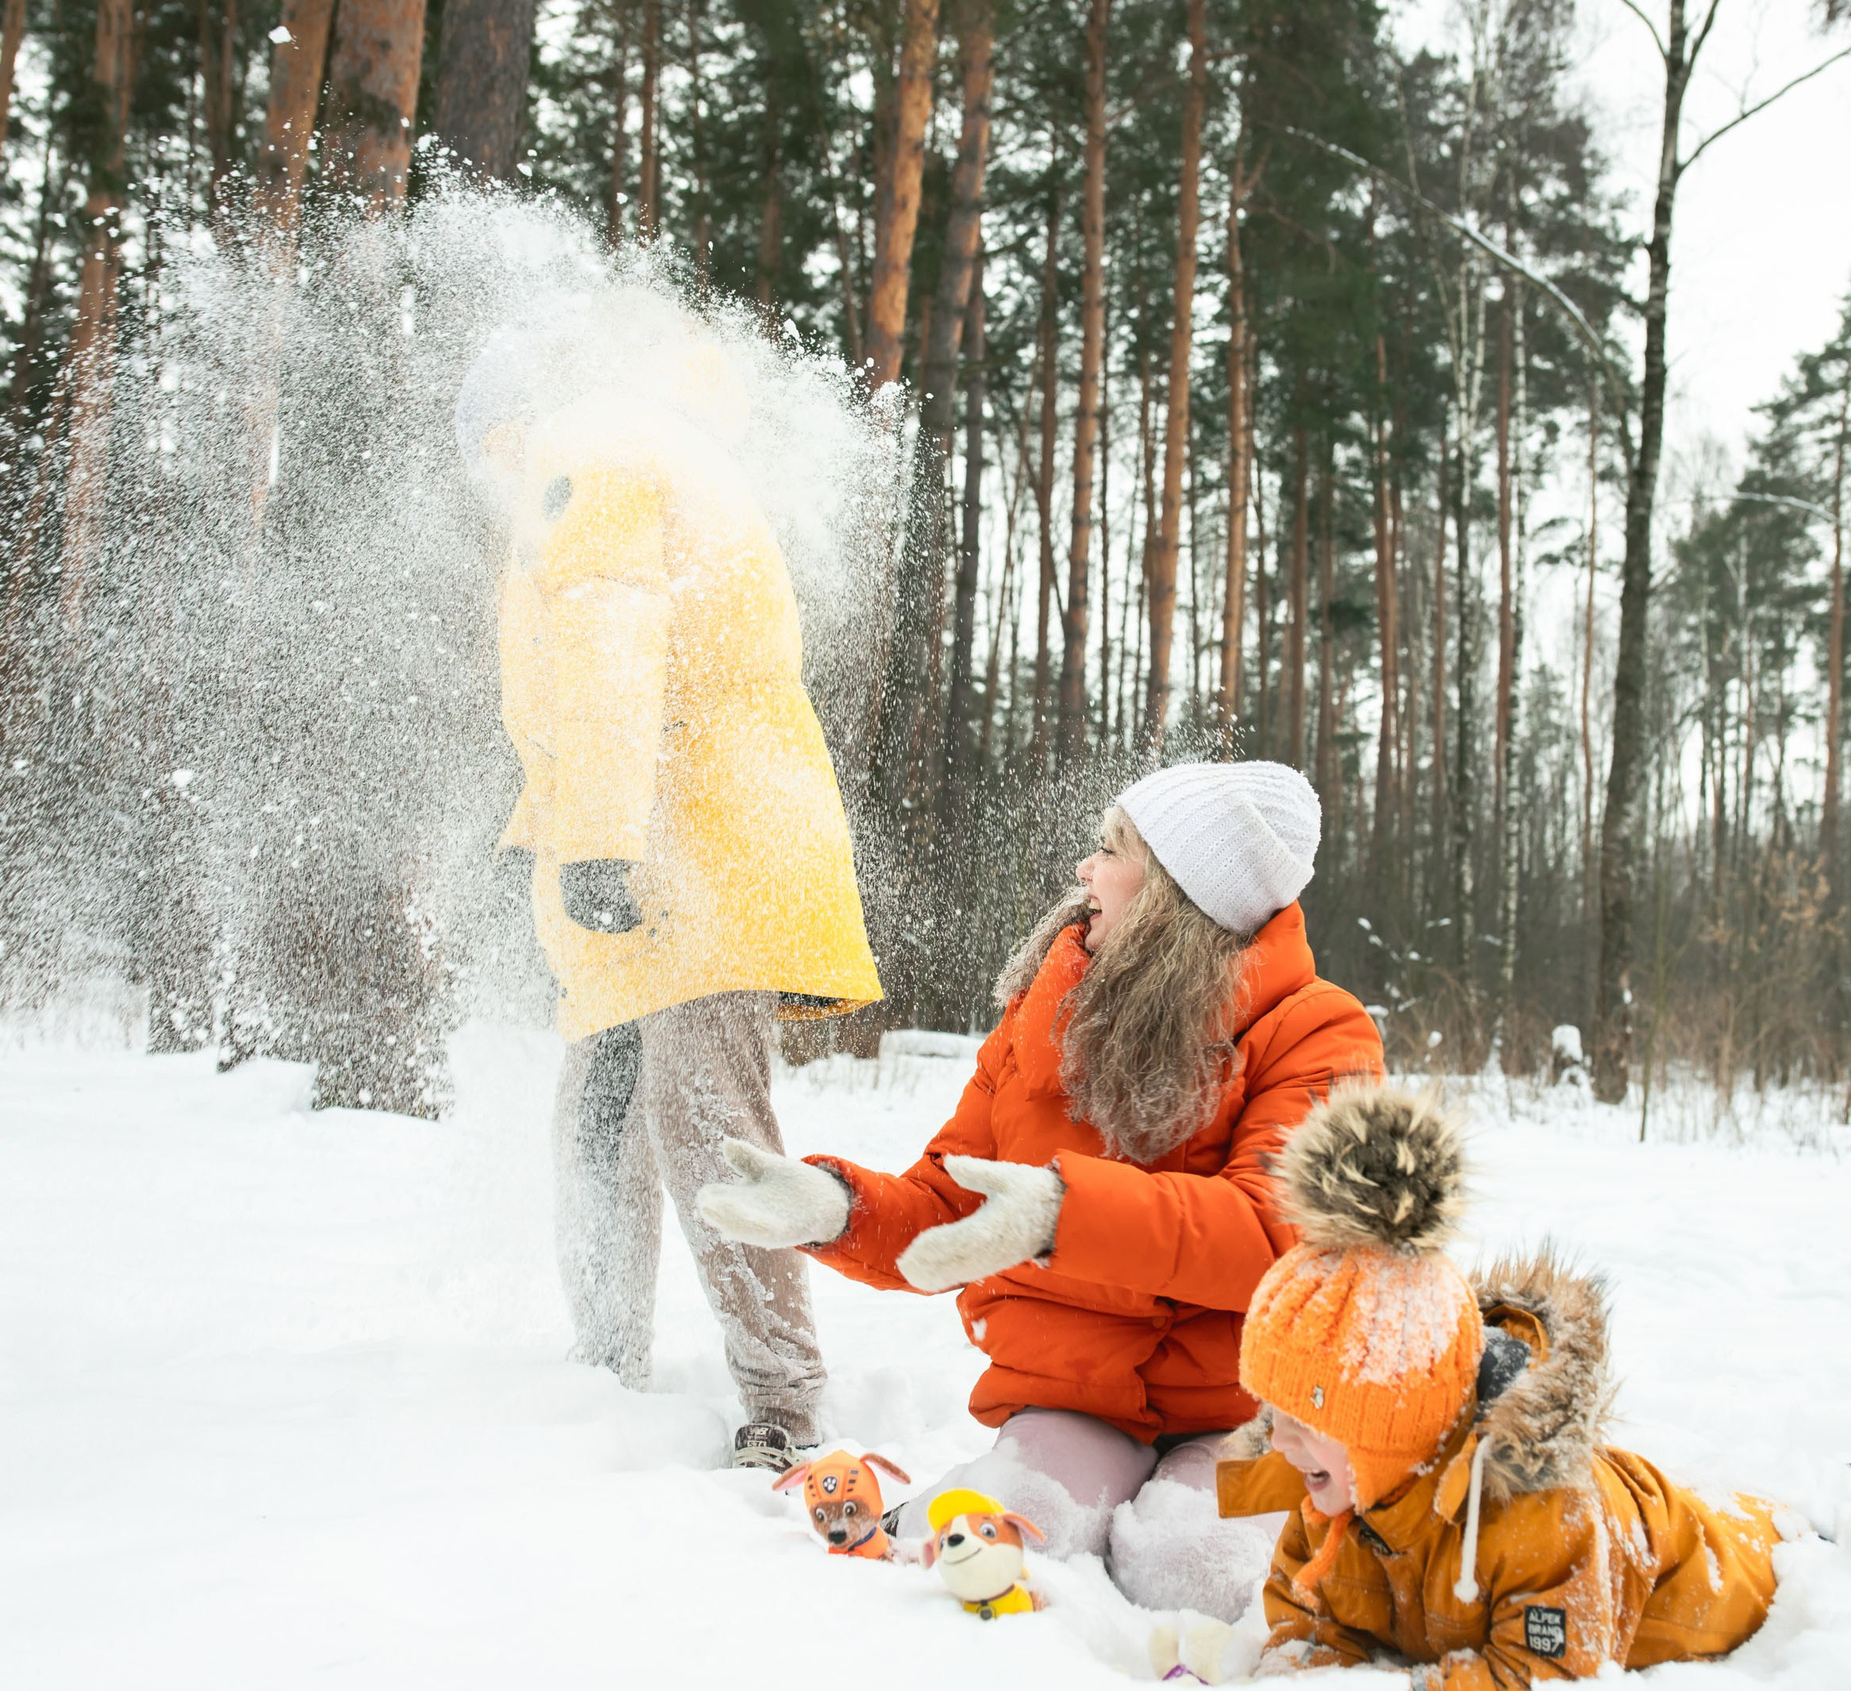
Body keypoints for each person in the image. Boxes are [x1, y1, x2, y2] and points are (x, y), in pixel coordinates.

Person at [696, 760, 1380, 1615]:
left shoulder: (1318, 1031)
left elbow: (1271, 1239)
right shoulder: (1044, 1010)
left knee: (1196, 1570)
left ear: (1178, 889)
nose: (1085, 871)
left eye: (1111, 849)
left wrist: (1064, 1212)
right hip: (1075, 1396)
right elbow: (954, 1206)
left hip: (1245, 1413)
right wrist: (837, 1207)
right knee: (994, 1540)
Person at [458, 297, 883, 1472]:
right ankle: (605, 1369)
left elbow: (610, 641)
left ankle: (785, 1402)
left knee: (707, 1132)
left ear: (508, 425)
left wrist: (596, 835)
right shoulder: (632, 452)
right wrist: (556, 835)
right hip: (666, 858)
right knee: (600, 1125)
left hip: (700, 860)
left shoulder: (586, 448)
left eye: (485, 448)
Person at [1219, 1081, 1783, 1691]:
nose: (1278, 1437)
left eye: (1306, 1414)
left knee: (1776, 1539)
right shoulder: (1327, 1497)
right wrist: (1300, 1678)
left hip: (1735, 1571)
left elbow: (1552, 1679)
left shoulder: (1539, 1518)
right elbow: (1306, 1619)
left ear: (1392, 1423)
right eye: (1276, 1407)